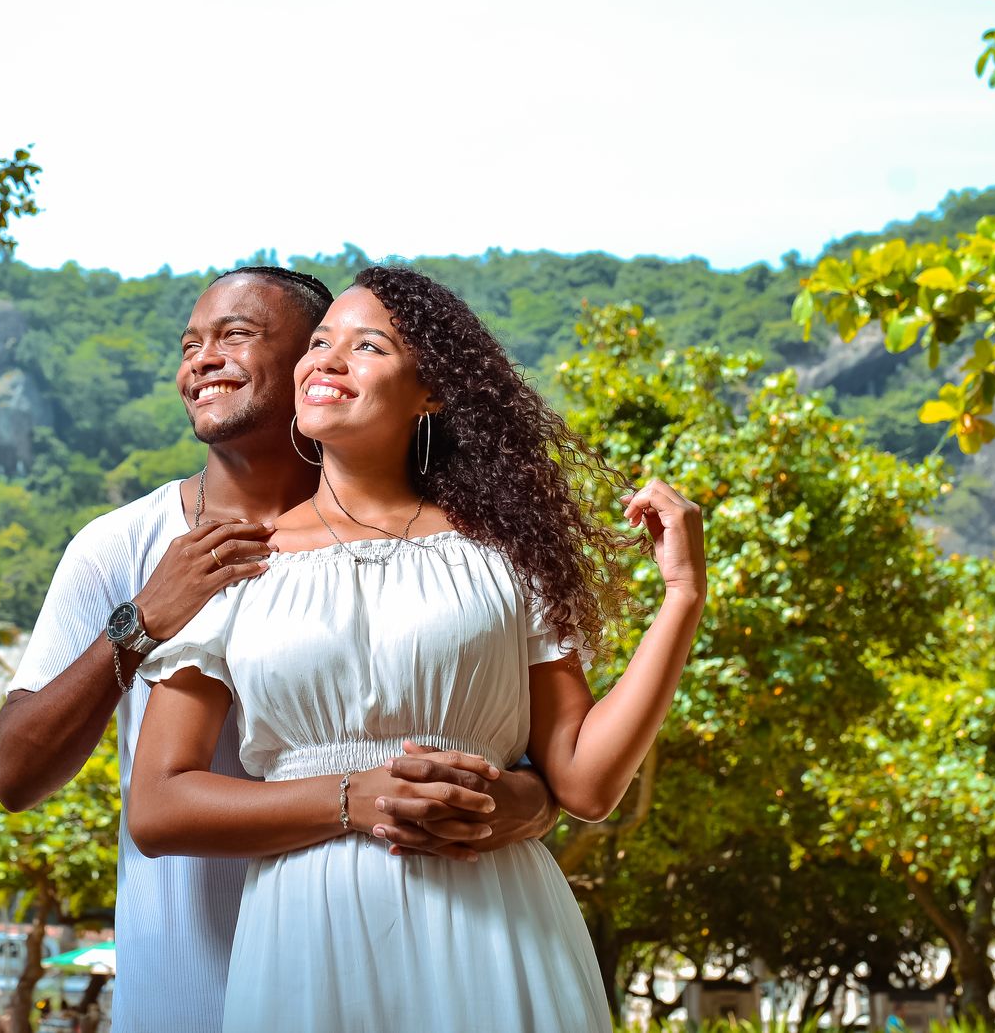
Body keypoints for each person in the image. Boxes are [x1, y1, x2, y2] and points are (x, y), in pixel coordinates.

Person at [128, 266, 708, 1033]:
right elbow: (159, 806)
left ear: (432, 390)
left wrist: (682, 598)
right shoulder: (234, 562)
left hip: (499, 929)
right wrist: (348, 800)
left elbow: (588, 783)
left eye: (367, 346)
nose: (326, 361)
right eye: (319, 342)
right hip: (307, 946)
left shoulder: (504, 557)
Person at [0, 267, 562, 1032]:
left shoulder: (435, 548)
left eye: (235, 335)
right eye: (191, 343)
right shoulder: (119, 546)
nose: (202, 359)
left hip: (408, 954)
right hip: (183, 979)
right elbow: (16, 773)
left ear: (305, 359)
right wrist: (142, 624)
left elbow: (524, 757)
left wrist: (526, 804)